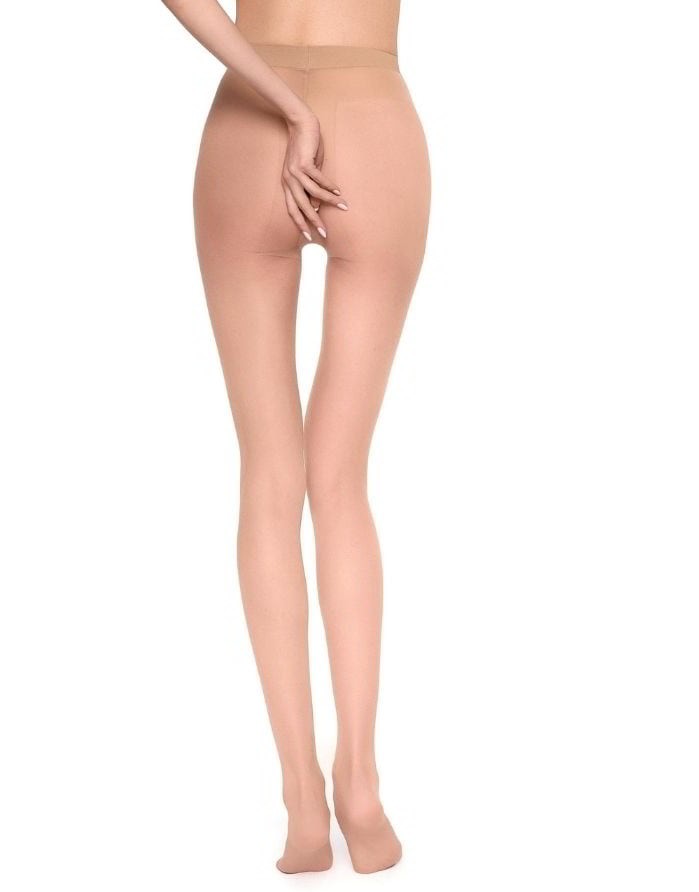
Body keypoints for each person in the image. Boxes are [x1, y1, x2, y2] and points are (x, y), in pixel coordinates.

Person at [161, 0, 430, 874]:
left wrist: (284, 101)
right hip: (373, 123)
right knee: (339, 478)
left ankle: (302, 804)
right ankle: (361, 787)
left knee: (268, 474)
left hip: (248, 119)